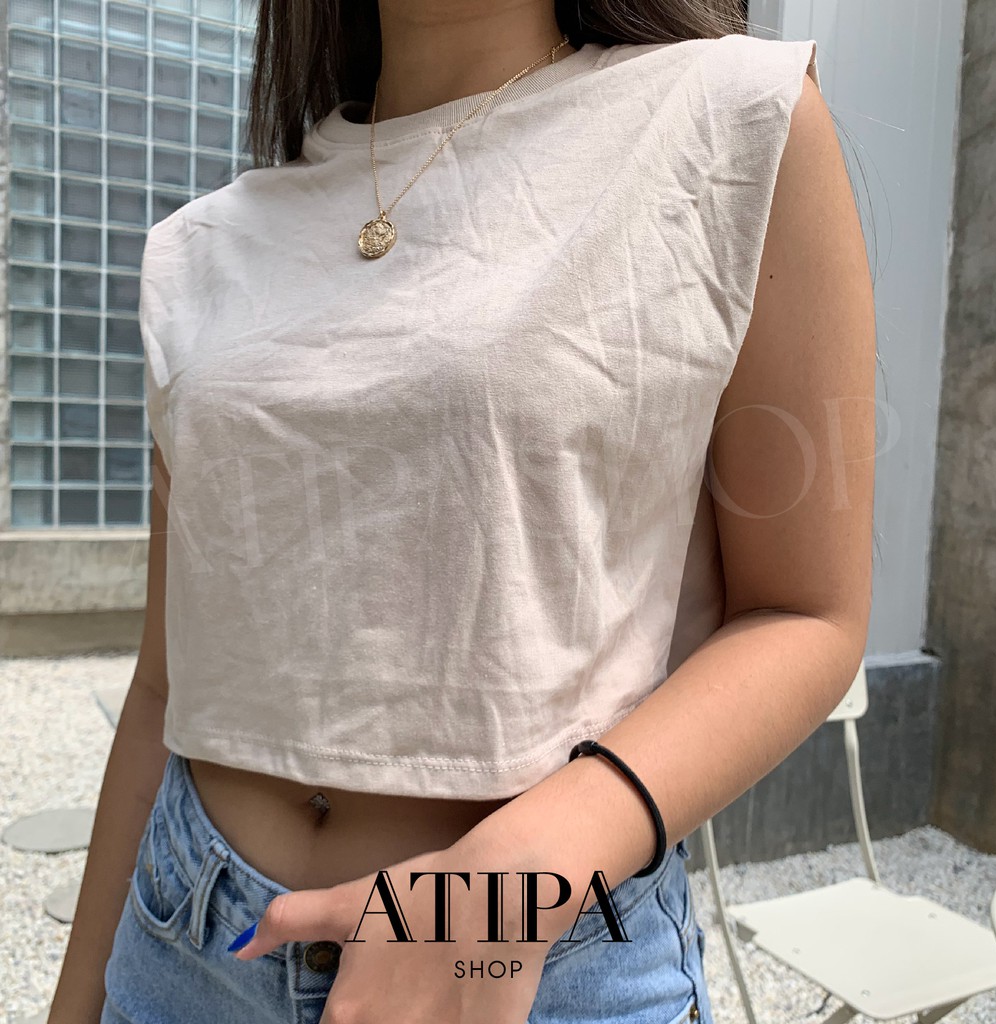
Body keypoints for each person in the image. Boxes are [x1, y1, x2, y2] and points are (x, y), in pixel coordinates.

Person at [47, 1, 877, 1022]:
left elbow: (805, 612)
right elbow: (166, 686)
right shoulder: (202, 245)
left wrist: (513, 878)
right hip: (186, 944)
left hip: (536, 968)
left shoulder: (730, 115)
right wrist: (75, 1002)